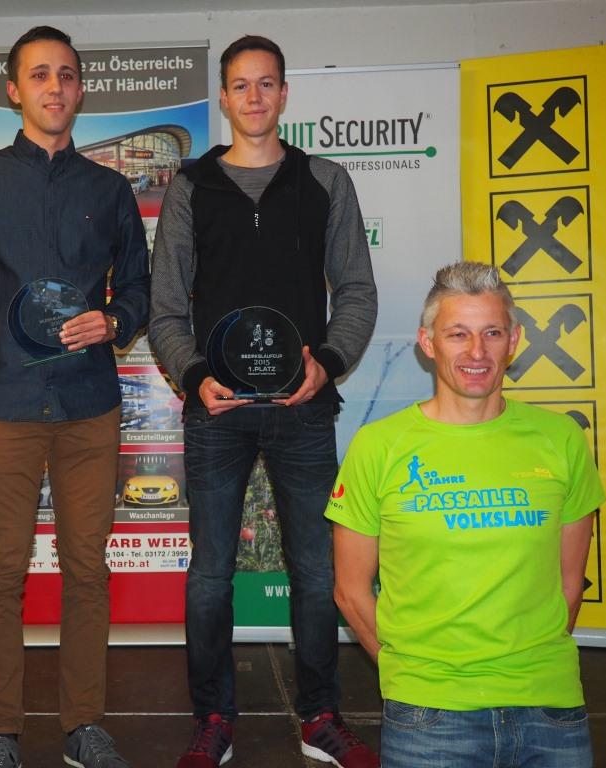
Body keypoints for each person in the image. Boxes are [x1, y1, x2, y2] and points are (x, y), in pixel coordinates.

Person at [149, 35, 379, 768]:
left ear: (284, 94)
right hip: (215, 411)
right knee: (209, 575)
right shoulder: (191, 186)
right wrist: (193, 376)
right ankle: (213, 717)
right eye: (241, 86)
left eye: (267, 84)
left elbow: (357, 291)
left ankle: (320, 716)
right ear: (223, 98)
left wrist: (328, 364)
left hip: (303, 410)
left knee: (317, 573)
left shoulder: (325, 181)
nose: (254, 97)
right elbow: (164, 308)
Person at [0, 26, 149, 768]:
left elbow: (140, 289)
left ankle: (84, 725)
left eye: (67, 75)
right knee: (0, 572)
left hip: (89, 405)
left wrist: (114, 320)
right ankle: (0, 731)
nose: (55, 87)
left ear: (80, 90)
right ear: (14, 90)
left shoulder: (111, 191)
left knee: (88, 571)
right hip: (4, 405)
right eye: (40, 74)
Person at [327, 261, 604, 768]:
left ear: (513, 340)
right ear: (427, 343)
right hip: (429, 716)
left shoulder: (561, 439)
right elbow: (350, 590)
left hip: (551, 709)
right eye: (458, 334)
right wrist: (409, 675)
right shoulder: (379, 446)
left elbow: (570, 583)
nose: (477, 352)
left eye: (492, 333)